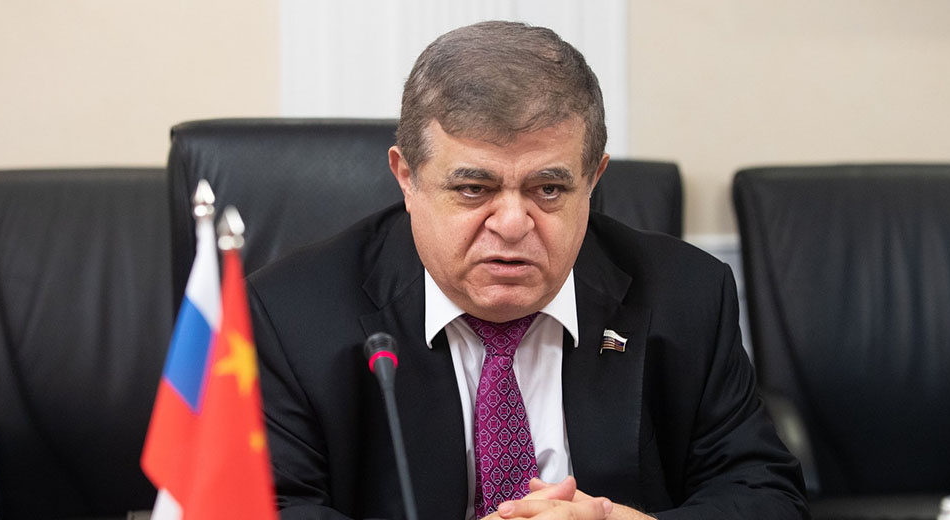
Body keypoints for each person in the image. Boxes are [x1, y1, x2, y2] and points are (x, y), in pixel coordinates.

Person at [249, 20, 808, 520]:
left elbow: (766, 494)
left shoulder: (686, 294)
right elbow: (266, 507)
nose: (513, 224)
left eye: (549, 189)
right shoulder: (292, 315)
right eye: (474, 188)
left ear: (593, 180)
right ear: (407, 178)